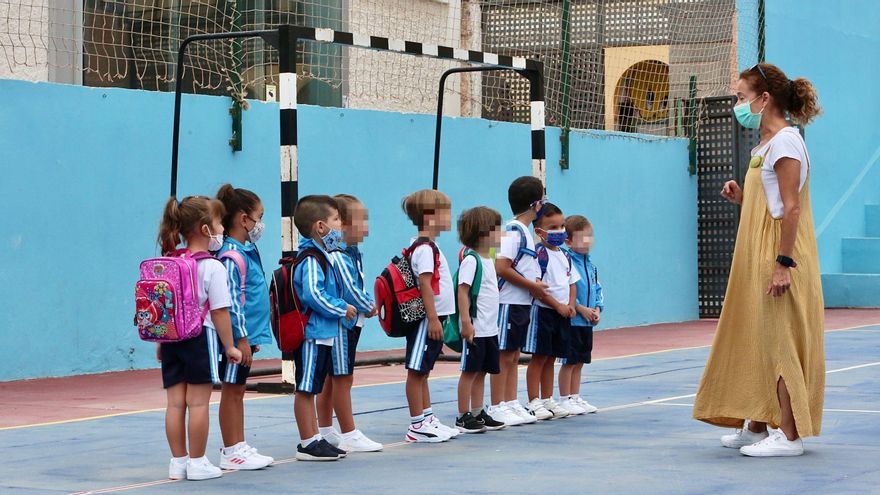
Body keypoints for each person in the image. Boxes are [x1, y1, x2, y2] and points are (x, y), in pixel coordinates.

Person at [693, 62, 824, 457]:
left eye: (740, 96)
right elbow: (769, 205)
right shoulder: (763, 146)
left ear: (763, 99)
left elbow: (792, 208)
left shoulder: (785, 142)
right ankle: (756, 424)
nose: (737, 103)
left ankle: (789, 435)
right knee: (755, 334)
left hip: (778, 255)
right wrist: (743, 198)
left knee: (778, 339)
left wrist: (783, 263)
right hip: (756, 252)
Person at [156, 196, 242, 480]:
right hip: (199, 337)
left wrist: (161, 341)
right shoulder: (212, 266)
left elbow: (165, 309)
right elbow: (219, 312)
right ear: (206, 229)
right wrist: (229, 345)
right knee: (198, 403)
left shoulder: (170, 260)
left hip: (171, 340)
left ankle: (177, 462)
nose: (221, 229)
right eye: (218, 223)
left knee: (175, 404)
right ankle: (198, 461)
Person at [213, 184, 275, 470]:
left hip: (245, 337)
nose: (260, 224)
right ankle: (231, 450)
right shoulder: (231, 256)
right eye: (258, 216)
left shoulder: (243, 251)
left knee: (238, 389)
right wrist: (241, 338)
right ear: (243, 218)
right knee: (232, 390)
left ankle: (238, 445)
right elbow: (232, 302)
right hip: (237, 340)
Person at [316, 194, 383, 453]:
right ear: (342, 225)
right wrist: (369, 305)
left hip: (345, 324)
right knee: (343, 378)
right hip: (343, 325)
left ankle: (325, 429)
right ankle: (349, 432)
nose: (366, 226)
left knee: (332, 380)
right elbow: (350, 290)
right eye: (361, 220)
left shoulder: (351, 252)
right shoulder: (339, 254)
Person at [291, 195, 354, 461]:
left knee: (313, 386)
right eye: (336, 220)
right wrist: (342, 307)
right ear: (320, 226)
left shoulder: (323, 256)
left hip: (323, 334)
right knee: (306, 388)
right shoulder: (311, 259)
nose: (341, 225)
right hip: (313, 335)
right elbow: (313, 295)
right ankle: (308, 441)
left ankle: (315, 436)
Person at [486, 176, 548, 427]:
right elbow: (502, 267)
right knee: (503, 355)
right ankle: (497, 404)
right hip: (507, 302)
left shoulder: (522, 230)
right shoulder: (513, 230)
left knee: (513, 354)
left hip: (521, 302)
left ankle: (510, 401)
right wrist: (532, 285)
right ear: (536, 205)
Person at [401, 189, 460, 442]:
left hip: (434, 317)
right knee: (416, 371)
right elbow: (425, 284)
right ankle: (416, 425)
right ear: (430, 217)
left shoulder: (430, 246)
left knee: (424, 371)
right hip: (426, 319)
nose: (449, 216)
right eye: (445, 212)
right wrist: (433, 318)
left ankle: (427, 417)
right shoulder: (424, 249)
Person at [522, 203, 578, 420]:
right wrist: (558, 305)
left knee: (552, 357)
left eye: (562, 226)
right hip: (544, 312)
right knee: (539, 357)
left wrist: (571, 304)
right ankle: (534, 400)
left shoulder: (566, 255)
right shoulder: (538, 255)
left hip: (562, 314)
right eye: (553, 227)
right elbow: (538, 289)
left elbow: (572, 282)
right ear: (539, 231)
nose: (560, 231)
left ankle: (547, 398)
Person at [454, 206, 507, 434]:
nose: (501, 234)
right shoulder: (472, 260)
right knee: (470, 372)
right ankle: (463, 415)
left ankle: (477, 410)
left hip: (489, 329)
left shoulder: (488, 260)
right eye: (497, 230)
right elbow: (462, 291)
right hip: (475, 328)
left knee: (483, 370)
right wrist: (466, 321)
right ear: (483, 233)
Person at [558, 214, 602, 415]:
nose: (587, 241)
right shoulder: (566, 261)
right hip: (573, 321)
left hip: (586, 324)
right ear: (568, 241)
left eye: (589, 236)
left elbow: (598, 289)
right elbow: (563, 288)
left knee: (581, 361)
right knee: (569, 361)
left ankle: (575, 396)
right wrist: (579, 308)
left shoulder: (591, 266)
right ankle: (564, 398)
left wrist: (597, 309)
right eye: (582, 237)